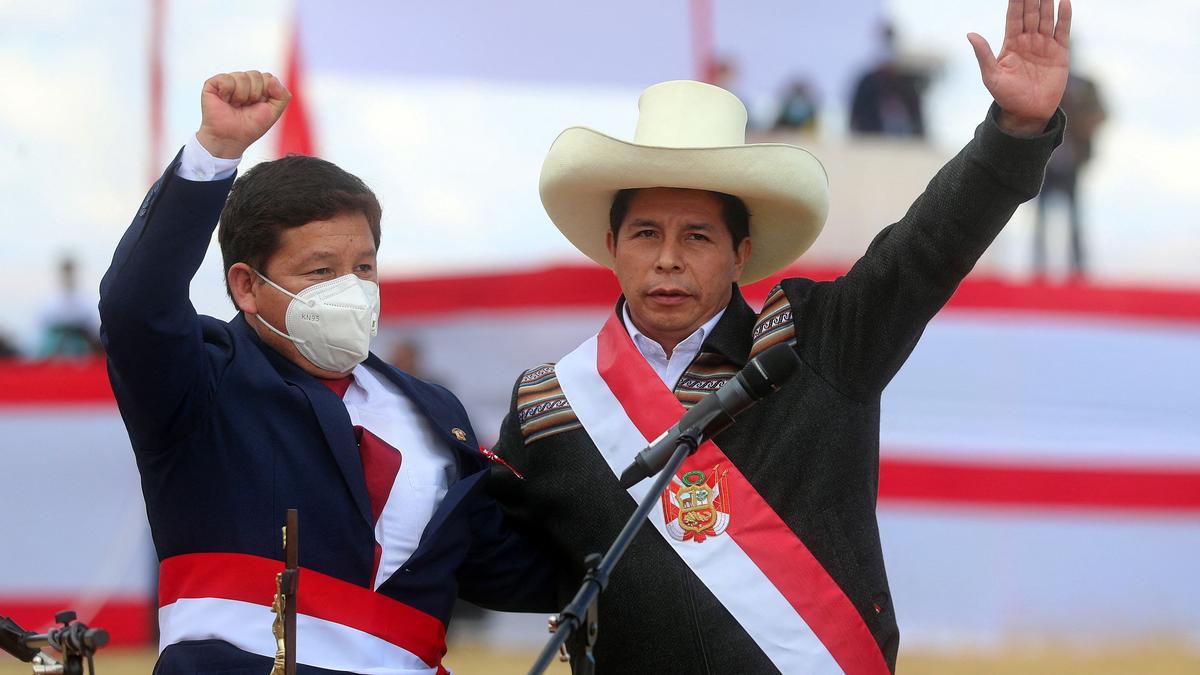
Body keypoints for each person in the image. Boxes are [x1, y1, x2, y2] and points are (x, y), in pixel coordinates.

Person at [489, 1, 1070, 672]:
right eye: (647, 233)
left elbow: (926, 250)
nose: (669, 258)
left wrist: (1015, 130)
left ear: (741, 254)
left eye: (698, 236)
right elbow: (487, 558)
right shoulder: (547, 402)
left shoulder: (819, 342)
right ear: (612, 244)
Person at [100, 71, 557, 674]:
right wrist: (216, 152)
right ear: (246, 287)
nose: (351, 290)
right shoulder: (203, 384)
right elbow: (137, 304)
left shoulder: (436, 412)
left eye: (363, 267)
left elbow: (507, 566)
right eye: (319, 271)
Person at [1033, 70, 1106, 279]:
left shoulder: (1085, 84)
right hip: (1045, 162)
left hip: (1072, 162)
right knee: (1041, 217)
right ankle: (1040, 267)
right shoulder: (1042, 80)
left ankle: (1077, 268)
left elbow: (1101, 114)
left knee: (1074, 217)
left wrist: (1083, 125)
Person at [848, 22, 932, 138]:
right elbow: (855, 119)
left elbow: (919, 124)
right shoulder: (867, 85)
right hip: (872, 143)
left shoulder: (907, 86)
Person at [37, 256, 103, 358]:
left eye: (70, 272)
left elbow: (92, 326)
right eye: (65, 273)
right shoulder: (49, 301)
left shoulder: (86, 300)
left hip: (81, 349)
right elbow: (43, 326)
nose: (68, 276)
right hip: (55, 350)